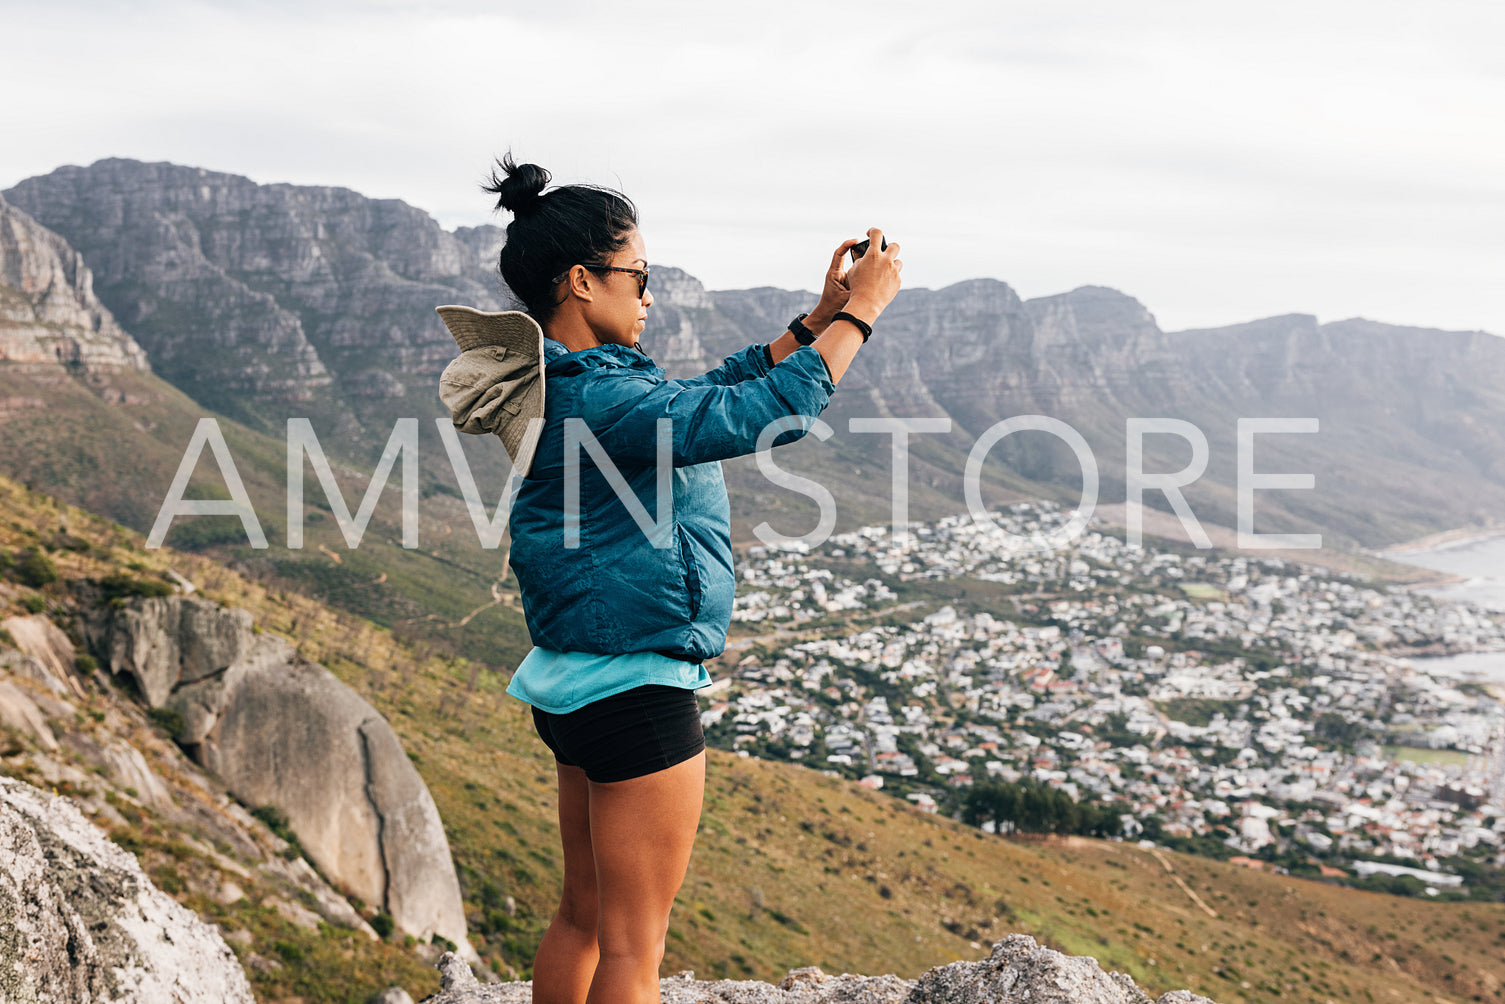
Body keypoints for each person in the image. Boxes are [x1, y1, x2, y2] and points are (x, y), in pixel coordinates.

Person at [436, 153, 902, 1004]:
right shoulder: (602, 401)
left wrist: (812, 322)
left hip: (573, 683)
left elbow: (708, 391)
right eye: (637, 275)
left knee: (582, 918)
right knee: (632, 950)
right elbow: (765, 413)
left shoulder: (577, 385)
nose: (648, 293)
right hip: (638, 692)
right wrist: (863, 314)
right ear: (581, 280)